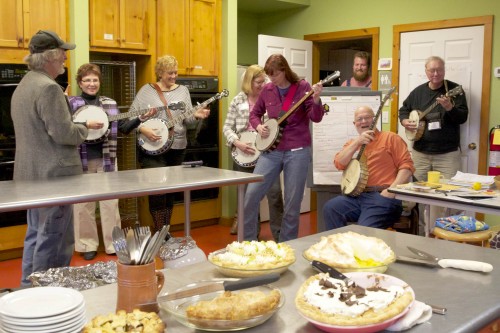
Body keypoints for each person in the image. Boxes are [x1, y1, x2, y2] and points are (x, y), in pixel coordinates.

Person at [11, 30, 102, 286]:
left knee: (36, 235)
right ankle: (47, 294)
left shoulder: (25, 85)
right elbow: (64, 134)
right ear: (50, 57)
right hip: (54, 178)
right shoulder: (49, 88)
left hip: (30, 177)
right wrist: (84, 127)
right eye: (62, 52)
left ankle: (28, 287)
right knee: (54, 239)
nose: (65, 57)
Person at [119, 55, 210, 233]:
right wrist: (142, 129)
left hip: (177, 147)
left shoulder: (183, 91)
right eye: (170, 73)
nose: (174, 76)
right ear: (160, 73)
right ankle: (161, 229)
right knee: (157, 190)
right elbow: (130, 118)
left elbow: (188, 121)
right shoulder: (146, 91)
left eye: (176, 72)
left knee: (170, 191)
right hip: (153, 149)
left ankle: (164, 231)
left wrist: (197, 117)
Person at [243, 54, 324, 242]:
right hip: (272, 151)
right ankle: (248, 243)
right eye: (269, 76)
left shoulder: (303, 88)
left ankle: (286, 246)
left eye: (275, 75)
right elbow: (254, 114)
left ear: (284, 71)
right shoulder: (268, 89)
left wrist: (318, 99)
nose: (272, 80)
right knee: (251, 197)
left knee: (292, 205)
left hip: (297, 151)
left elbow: (315, 117)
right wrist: (259, 126)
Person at [399, 55, 468, 235]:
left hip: (447, 155)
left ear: (444, 71)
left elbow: (462, 117)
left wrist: (449, 108)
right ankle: (424, 234)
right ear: (426, 71)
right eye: (432, 70)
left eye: (439, 70)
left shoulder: (454, 90)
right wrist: (405, 121)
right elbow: (404, 109)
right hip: (421, 153)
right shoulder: (418, 92)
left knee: (450, 196)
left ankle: (447, 236)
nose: (435, 73)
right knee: (421, 196)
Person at [323, 106, 415, 230]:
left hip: (383, 196)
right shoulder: (352, 144)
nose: (364, 121)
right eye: (359, 119)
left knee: (364, 229)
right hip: (356, 197)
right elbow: (339, 163)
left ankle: (360, 247)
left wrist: (391, 191)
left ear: (375, 120)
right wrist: (357, 142)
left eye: (367, 117)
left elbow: (407, 167)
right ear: (354, 124)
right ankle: (339, 246)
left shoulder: (391, 138)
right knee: (331, 208)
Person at [222, 65, 284, 239]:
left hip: (268, 154)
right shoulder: (237, 101)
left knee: (275, 195)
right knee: (248, 199)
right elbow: (227, 127)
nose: (262, 84)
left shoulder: (271, 99)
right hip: (243, 155)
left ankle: (280, 236)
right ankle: (251, 237)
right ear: (249, 82)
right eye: (258, 81)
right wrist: (237, 143)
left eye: (264, 81)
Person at [68, 63, 121, 260]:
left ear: (100, 82)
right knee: (83, 205)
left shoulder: (109, 104)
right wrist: (84, 124)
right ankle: (86, 244)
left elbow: (122, 126)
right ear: (80, 83)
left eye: (95, 80)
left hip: (107, 158)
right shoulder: (71, 103)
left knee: (110, 204)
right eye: (87, 80)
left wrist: (141, 118)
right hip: (80, 161)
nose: (92, 84)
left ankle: (113, 244)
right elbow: (65, 127)